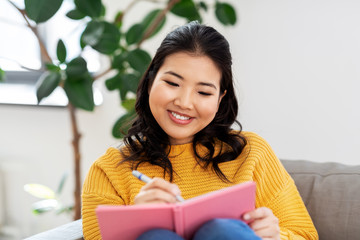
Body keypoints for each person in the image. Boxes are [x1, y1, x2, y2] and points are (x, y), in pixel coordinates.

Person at [82, 21, 318, 240]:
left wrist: (273, 237)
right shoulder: (108, 171)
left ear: (220, 98)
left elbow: (304, 234)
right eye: (173, 83)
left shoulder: (252, 152)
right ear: (151, 79)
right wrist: (134, 223)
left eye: (204, 92)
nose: (184, 103)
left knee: (221, 231)